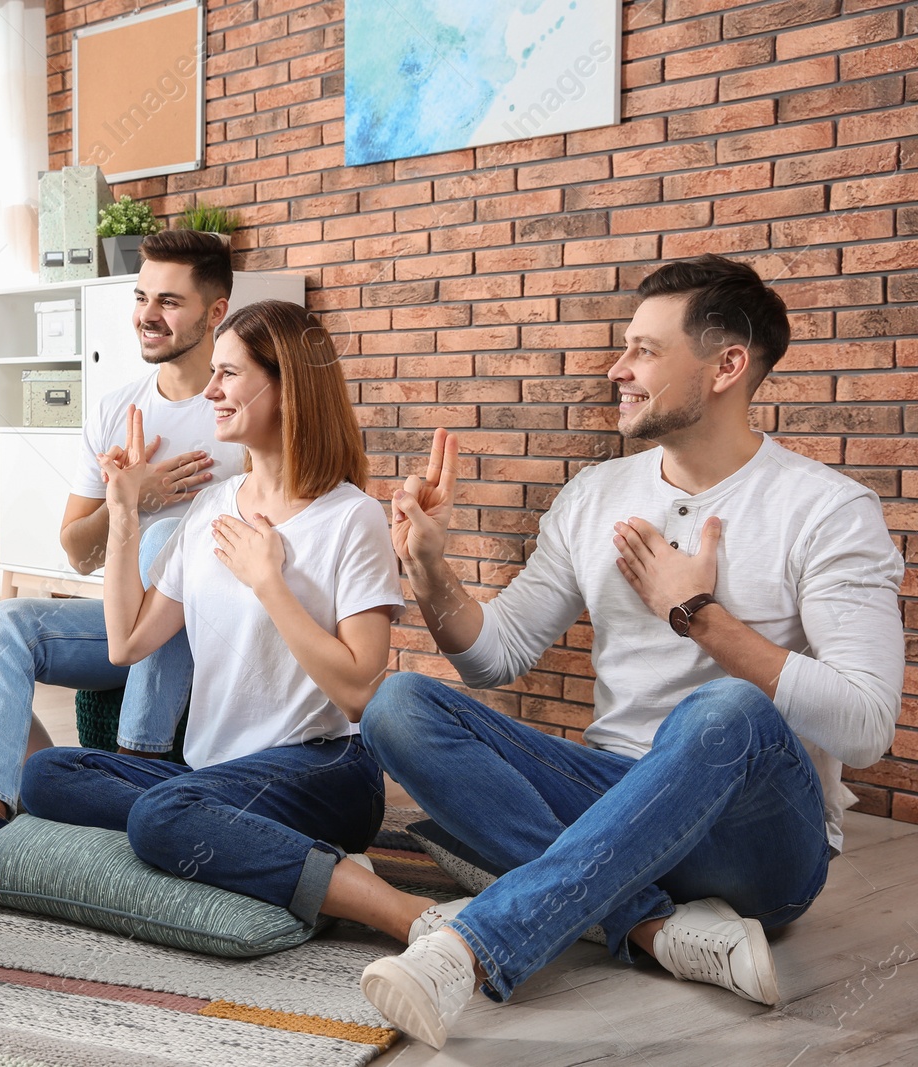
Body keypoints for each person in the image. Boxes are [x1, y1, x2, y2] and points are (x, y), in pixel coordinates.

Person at [354, 254, 904, 1049]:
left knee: (725, 708)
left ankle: (472, 947)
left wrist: (702, 618)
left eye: (644, 349)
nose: (618, 369)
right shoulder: (595, 496)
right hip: (612, 789)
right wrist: (432, 569)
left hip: (759, 845)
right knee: (396, 704)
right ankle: (654, 926)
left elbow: (865, 726)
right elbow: (494, 656)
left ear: (727, 365)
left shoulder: (826, 510)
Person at [15, 300, 436, 933]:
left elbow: (357, 693)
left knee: (161, 817)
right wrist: (125, 514)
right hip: (211, 772)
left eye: (229, 375)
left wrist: (271, 583)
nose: (209, 390)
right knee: (49, 773)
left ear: (288, 388)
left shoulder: (352, 517)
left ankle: (409, 915)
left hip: (321, 768)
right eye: (213, 372)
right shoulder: (213, 504)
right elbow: (127, 644)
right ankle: (276, 858)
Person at [0, 229, 246, 885]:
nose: (147, 315)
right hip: (127, 620)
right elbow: (77, 549)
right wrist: (132, 496)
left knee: (165, 545)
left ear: (216, 312)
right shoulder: (115, 407)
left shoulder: (242, 405)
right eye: (140, 297)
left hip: (225, 618)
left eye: (170, 301)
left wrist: (162, 520)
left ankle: (138, 762)